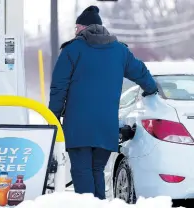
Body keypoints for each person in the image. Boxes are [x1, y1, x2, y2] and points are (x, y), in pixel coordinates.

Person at [48, 5, 158, 199]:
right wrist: (152, 89)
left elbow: (59, 87)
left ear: (83, 27)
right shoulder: (119, 51)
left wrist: (53, 116)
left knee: (82, 171)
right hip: (106, 125)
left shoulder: (72, 50)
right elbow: (140, 72)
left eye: (77, 27)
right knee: (97, 170)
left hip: (78, 125)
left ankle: (87, 204)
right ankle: (98, 203)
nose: (75, 31)